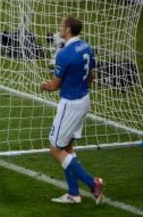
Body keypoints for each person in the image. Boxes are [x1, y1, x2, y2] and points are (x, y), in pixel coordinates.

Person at [40, 16, 103, 205]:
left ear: (67, 30)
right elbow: (92, 74)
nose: (59, 28)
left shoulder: (64, 54)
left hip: (70, 104)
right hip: (84, 99)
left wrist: (42, 85)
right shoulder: (86, 47)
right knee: (67, 148)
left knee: (55, 149)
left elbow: (55, 86)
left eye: (61, 25)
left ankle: (93, 183)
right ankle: (74, 194)